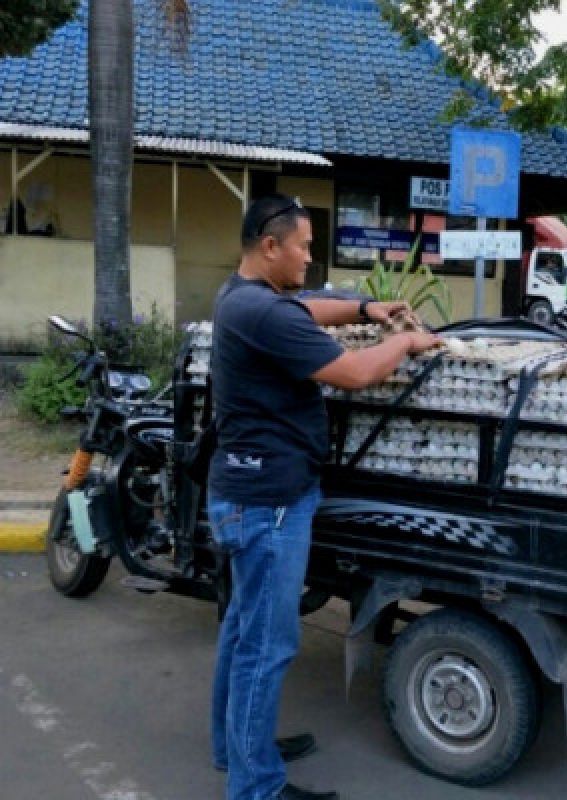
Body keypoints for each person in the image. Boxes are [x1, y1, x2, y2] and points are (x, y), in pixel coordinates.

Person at [208, 194, 440, 800]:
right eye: (304, 247)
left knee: (242, 630)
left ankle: (235, 748)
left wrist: (368, 306)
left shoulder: (242, 298)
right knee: (266, 644)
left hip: (244, 490)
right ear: (269, 246)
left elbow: (311, 308)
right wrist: (408, 344)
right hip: (270, 501)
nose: (310, 258)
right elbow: (359, 373)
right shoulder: (266, 315)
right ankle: (255, 786)